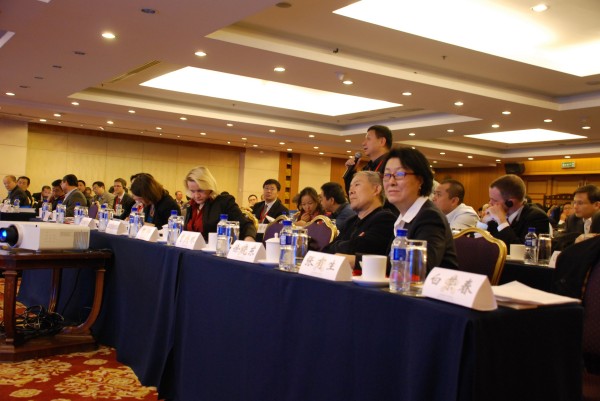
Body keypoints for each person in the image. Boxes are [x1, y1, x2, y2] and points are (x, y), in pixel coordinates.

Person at [383, 147, 458, 273]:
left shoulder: (430, 217)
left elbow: (419, 269)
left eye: (399, 174)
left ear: (420, 180)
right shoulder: (403, 217)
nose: (391, 181)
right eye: (387, 175)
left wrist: (360, 261)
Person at [323, 171, 396, 267]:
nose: (350, 191)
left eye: (357, 185)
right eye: (350, 187)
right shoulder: (351, 221)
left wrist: (339, 245)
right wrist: (344, 245)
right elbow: (327, 250)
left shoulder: (385, 219)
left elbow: (361, 249)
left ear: (376, 189)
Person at [183, 166, 256, 241]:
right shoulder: (191, 205)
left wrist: (249, 238)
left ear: (209, 187)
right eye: (192, 191)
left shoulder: (224, 202)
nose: (196, 196)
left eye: (200, 190)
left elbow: (246, 225)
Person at [477, 174, 550, 247]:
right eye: (490, 199)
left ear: (510, 202)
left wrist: (502, 222)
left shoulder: (536, 217)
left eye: (494, 200)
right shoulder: (493, 218)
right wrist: (483, 223)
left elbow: (524, 250)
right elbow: (476, 246)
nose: (490, 203)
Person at [343, 125, 392, 195]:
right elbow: (354, 195)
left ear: (382, 141)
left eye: (368, 139)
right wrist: (351, 172)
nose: (363, 143)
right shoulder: (367, 168)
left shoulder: (392, 166)